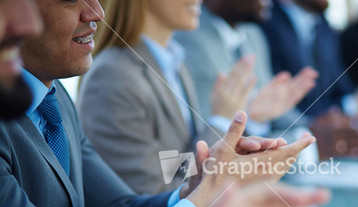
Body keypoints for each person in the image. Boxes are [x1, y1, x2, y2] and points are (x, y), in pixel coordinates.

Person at [1, 0, 315, 207]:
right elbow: (155, 176)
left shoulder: (56, 99)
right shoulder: (113, 74)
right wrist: (206, 188)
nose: (96, 11)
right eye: (69, 0)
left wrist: (194, 190)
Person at [79, 0, 263, 194]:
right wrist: (221, 121)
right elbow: (153, 190)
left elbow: (173, 168)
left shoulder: (174, 61)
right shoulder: (112, 76)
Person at [177, 0, 358, 159]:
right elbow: (208, 144)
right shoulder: (190, 38)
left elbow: (273, 112)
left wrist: (321, 130)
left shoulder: (253, 34)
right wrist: (308, 142)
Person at [261, 0, 358, 124]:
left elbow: (340, 90)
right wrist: (355, 105)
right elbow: (277, 114)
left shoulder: (323, 26)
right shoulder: (262, 23)